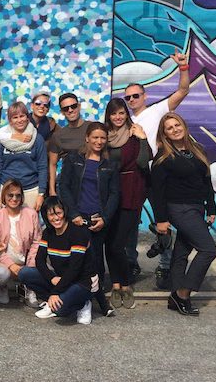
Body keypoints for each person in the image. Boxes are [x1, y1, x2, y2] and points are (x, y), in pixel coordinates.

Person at [124, 50, 190, 289]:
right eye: (128, 97)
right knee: (129, 220)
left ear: (144, 95)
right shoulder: (125, 122)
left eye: (135, 96)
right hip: (135, 176)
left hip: (159, 174)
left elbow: (183, 90)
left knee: (165, 219)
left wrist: (183, 67)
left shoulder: (158, 109)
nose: (132, 100)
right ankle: (131, 262)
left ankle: (165, 265)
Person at [151, 112, 216, 316]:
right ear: (165, 134)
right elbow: (156, 193)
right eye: (169, 128)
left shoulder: (197, 150)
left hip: (196, 208)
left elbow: (206, 180)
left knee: (181, 252)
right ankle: (183, 294)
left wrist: (211, 207)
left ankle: (175, 298)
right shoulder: (163, 159)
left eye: (177, 125)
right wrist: (161, 220)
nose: (174, 129)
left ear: (184, 126)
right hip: (179, 208)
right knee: (208, 250)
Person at [59, 122, 120, 316]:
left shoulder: (110, 164)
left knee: (96, 262)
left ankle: (96, 301)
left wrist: (105, 218)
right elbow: (64, 187)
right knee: (77, 260)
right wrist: (73, 214)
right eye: (95, 137)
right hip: (78, 218)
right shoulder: (73, 159)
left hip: (97, 219)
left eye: (103, 137)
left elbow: (114, 194)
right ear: (87, 138)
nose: (99, 141)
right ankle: (81, 300)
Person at [18, 196, 97, 325]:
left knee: (59, 310)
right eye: (51, 215)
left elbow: (75, 269)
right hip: (61, 278)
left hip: (81, 282)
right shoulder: (48, 233)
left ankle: (83, 304)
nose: (56, 218)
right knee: (24, 273)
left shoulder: (78, 233)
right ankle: (52, 300)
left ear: (64, 212)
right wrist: (51, 278)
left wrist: (55, 292)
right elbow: (39, 261)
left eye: (59, 213)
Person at [104, 98, 151, 309]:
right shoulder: (104, 136)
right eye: (114, 113)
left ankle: (126, 284)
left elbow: (143, 161)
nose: (118, 117)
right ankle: (116, 284)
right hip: (107, 194)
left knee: (118, 243)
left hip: (130, 192)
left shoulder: (135, 133)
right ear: (109, 115)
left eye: (121, 113)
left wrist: (142, 139)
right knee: (109, 242)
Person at [0, 180, 42, 308]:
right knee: (1, 273)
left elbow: (37, 241)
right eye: (10, 195)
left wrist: (30, 265)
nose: (14, 198)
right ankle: (3, 286)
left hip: (26, 260)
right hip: (4, 262)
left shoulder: (31, 214)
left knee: (43, 268)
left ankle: (28, 287)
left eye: (18, 195)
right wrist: (11, 265)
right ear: (4, 196)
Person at [0, 101, 47, 211]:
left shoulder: (37, 139)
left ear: (27, 117)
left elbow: (43, 168)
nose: (19, 120)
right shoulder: (2, 140)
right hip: (7, 189)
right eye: (15, 117)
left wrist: (41, 194)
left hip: (30, 190)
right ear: (10, 121)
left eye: (22, 116)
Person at [47, 93, 93, 196]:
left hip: (91, 184)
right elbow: (52, 164)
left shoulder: (92, 127)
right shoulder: (58, 136)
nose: (70, 110)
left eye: (73, 106)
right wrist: (52, 191)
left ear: (79, 106)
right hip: (68, 186)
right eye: (66, 108)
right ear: (62, 112)